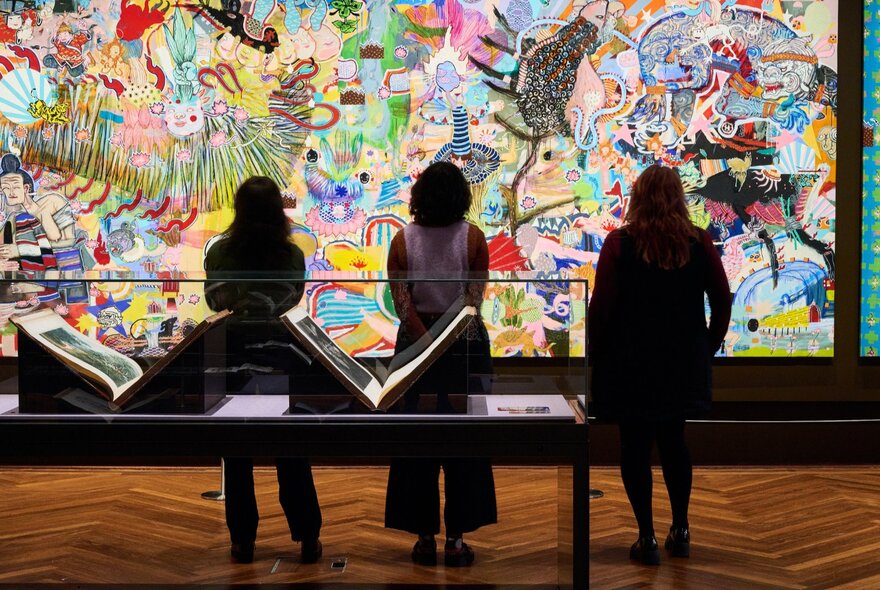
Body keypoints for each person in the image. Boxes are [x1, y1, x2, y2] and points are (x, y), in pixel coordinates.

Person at [588, 164, 732, 566]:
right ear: (678, 197)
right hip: (682, 361)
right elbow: (722, 300)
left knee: (634, 447)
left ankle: (646, 536)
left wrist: (597, 356)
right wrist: (708, 345)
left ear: (637, 197)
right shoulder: (699, 242)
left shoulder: (620, 244)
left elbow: (601, 309)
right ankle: (681, 528)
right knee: (674, 442)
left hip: (630, 363)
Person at [204, 176, 323, 565]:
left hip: (233, 357)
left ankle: (243, 542)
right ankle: (307, 537)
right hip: (281, 358)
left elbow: (213, 301)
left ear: (239, 209)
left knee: (237, 452)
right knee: (291, 448)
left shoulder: (220, 251)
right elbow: (293, 298)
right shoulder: (291, 255)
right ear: (278, 209)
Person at [384, 161, 497, 568]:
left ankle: (423, 538)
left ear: (420, 197)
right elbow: (473, 300)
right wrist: (446, 340)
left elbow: (402, 305)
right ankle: (457, 538)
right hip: (465, 345)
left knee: (416, 439)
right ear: (461, 197)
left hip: (414, 347)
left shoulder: (402, 240)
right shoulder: (474, 239)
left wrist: (425, 340)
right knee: (466, 440)